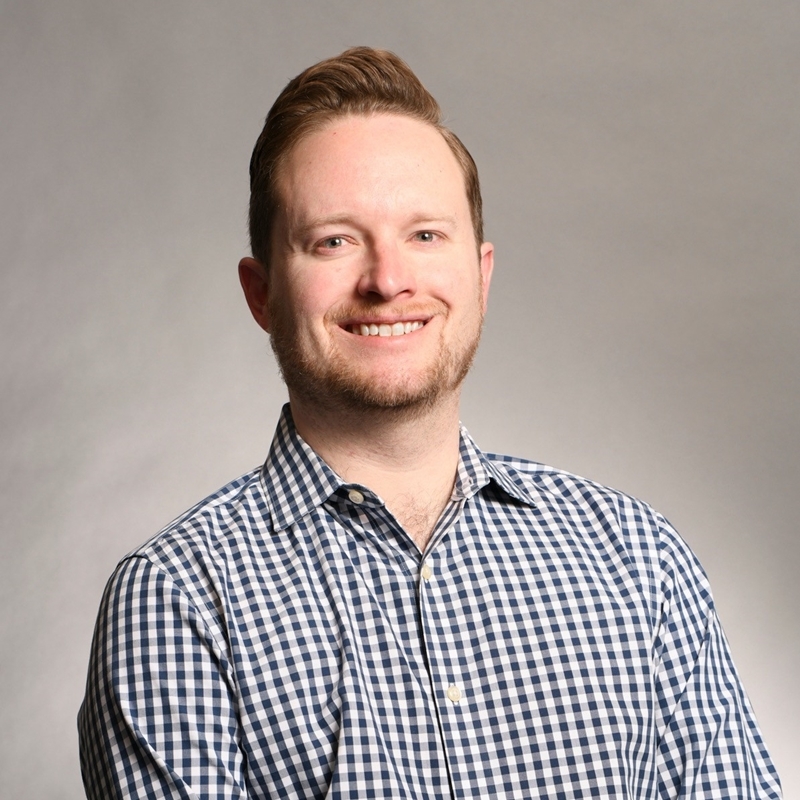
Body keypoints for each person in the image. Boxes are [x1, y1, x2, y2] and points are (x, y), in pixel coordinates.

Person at [78, 47, 782, 799]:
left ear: (480, 276)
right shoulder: (178, 601)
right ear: (262, 294)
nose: (388, 281)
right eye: (335, 240)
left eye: (424, 235)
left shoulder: (640, 562)